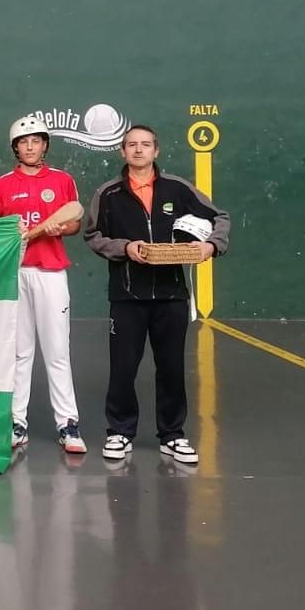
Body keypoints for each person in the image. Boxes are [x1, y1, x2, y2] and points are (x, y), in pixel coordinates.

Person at [83, 124, 230, 464]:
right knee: (123, 367)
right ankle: (119, 432)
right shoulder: (108, 194)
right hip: (127, 296)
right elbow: (93, 235)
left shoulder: (178, 189)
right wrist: (125, 247)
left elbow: (219, 217)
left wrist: (211, 245)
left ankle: (172, 435)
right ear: (122, 151)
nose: (138, 150)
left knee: (171, 367)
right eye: (131, 145)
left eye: (145, 145)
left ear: (156, 151)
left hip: (172, 296)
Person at [0, 114, 86, 456]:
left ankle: (67, 423)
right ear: (15, 148)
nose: (30, 146)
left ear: (45, 145)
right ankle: (17, 422)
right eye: (24, 142)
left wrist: (60, 229)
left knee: (56, 351)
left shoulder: (62, 181)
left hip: (51, 273)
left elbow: (73, 221)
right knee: (19, 351)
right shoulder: (1, 186)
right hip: (15, 274)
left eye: (36, 141)